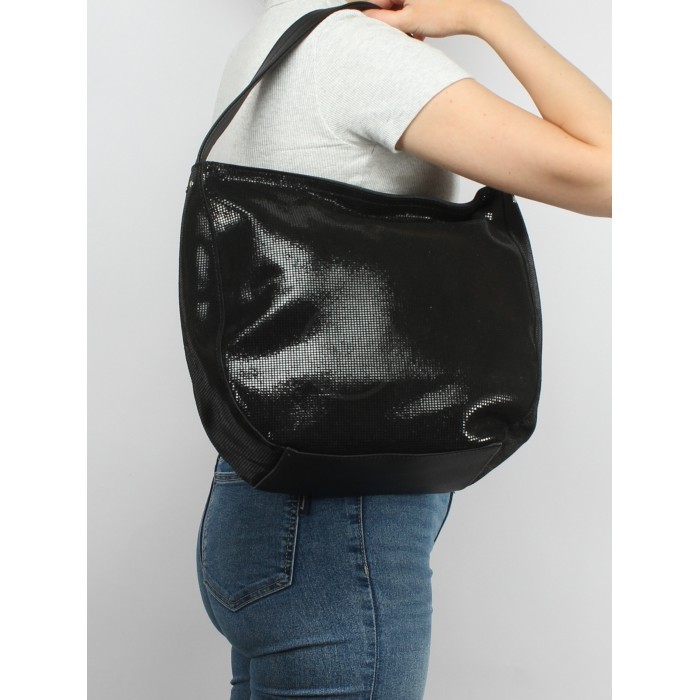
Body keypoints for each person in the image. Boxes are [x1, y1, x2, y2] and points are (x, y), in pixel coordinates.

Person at [195, 1, 612, 698]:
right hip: (339, 529)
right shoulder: (353, 53)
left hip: (265, 509)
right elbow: (616, 172)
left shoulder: (282, 33)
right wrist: (491, 18)